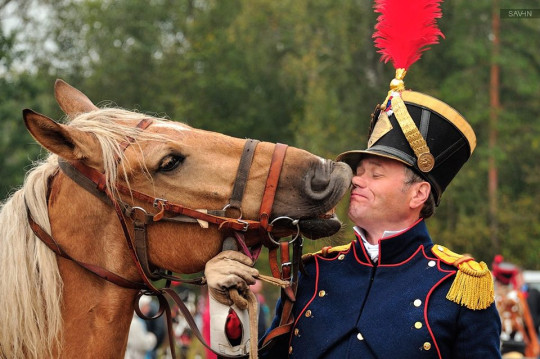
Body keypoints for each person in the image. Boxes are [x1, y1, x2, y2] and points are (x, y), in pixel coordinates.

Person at [204, 1, 502, 357]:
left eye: (375, 174)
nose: (356, 182)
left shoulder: (457, 287)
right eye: (359, 172)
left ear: (419, 193)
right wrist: (229, 304)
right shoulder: (314, 273)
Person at [125, 295, 157, 359]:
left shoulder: (138, 320)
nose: (149, 309)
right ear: (140, 306)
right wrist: (152, 337)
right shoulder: (134, 323)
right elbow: (142, 343)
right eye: (146, 306)